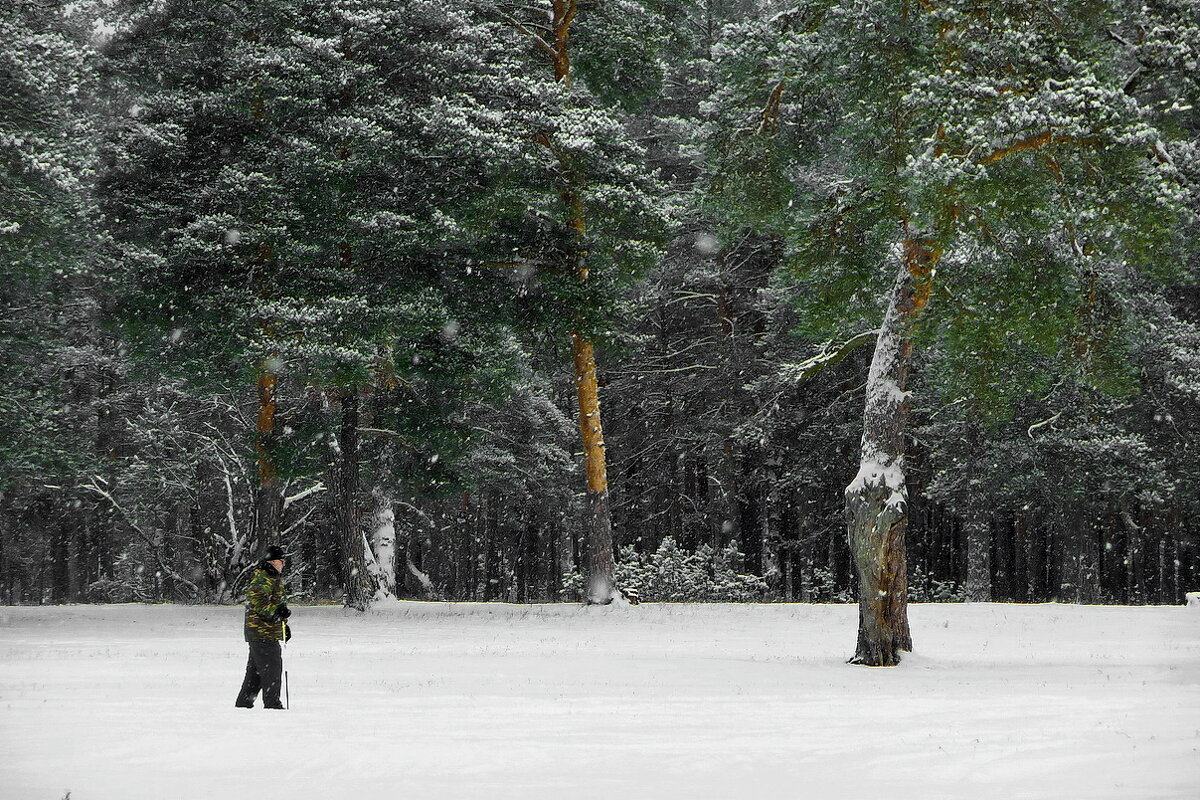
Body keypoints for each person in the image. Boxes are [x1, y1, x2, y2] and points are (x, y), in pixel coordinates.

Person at [234, 545, 292, 709]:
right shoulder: (263, 578)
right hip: (261, 633)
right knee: (272, 668)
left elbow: (273, 604)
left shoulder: (271, 577)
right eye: (282, 561)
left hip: (263, 632)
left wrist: (282, 625)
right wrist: (276, 612)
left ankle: (244, 703)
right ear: (274, 562)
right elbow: (258, 602)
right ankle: (273, 704)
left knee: (257, 671)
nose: (284, 564)